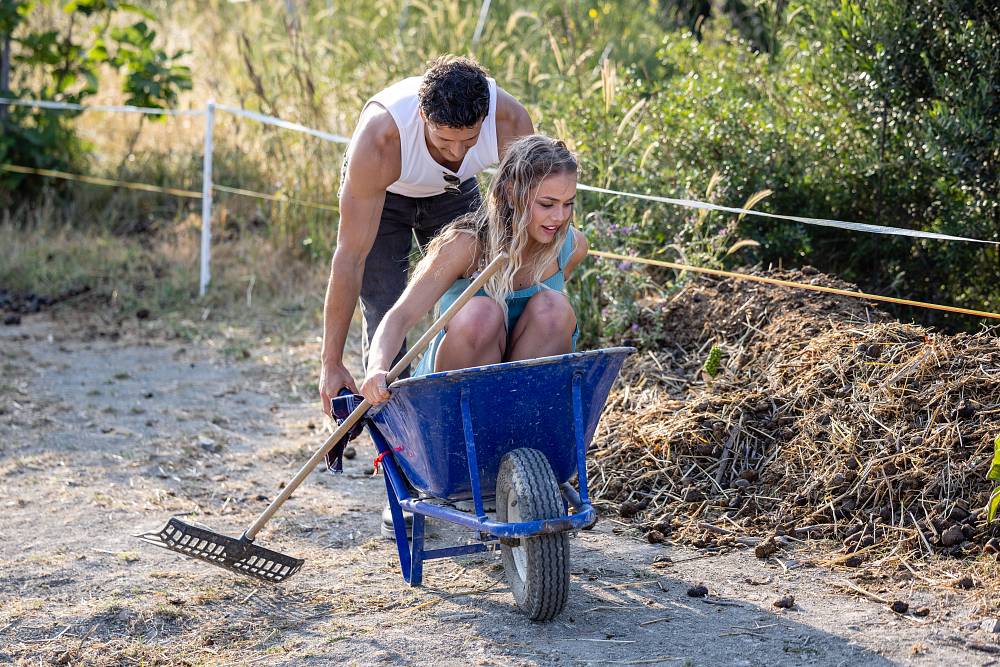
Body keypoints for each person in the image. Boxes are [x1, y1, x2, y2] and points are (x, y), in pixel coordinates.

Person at [319, 55, 533, 416]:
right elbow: (349, 257)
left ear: (485, 117)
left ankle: (468, 404)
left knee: (483, 290)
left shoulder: (510, 121)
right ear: (423, 116)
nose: (456, 152)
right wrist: (331, 362)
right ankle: (398, 423)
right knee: (384, 302)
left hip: (454, 190)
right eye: (444, 140)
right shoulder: (380, 139)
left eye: (469, 141)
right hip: (386, 195)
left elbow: (526, 220)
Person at [360, 134, 588, 406]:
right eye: (547, 204)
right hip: (457, 394)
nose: (560, 217)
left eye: (568, 204)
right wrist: (376, 368)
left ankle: (523, 425)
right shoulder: (466, 245)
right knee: (482, 312)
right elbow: (400, 316)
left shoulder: (570, 247)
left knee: (554, 307)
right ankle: (464, 426)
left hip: (524, 395)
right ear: (511, 192)